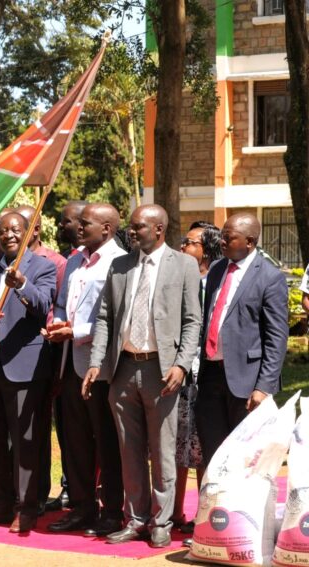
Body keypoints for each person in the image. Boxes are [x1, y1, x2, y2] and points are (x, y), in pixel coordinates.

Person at [85, 204, 202, 548]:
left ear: (159, 229)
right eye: (131, 227)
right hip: (123, 369)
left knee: (162, 450)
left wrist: (181, 365)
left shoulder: (183, 265)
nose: (131, 232)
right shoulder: (120, 265)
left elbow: (192, 320)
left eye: (138, 227)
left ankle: (161, 521)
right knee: (129, 450)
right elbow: (104, 317)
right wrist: (96, 362)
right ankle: (135, 519)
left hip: (161, 371)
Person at [0, 212, 57, 535]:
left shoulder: (42, 267)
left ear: (28, 232)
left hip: (25, 368)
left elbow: (43, 306)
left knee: (25, 444)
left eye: (16, 230)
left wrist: (21, 285)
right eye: (4, 230)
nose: (10, 235)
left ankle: (26, 508)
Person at [45, 203, 127, 536]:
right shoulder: (75, 261)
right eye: (78, 223)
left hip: (102, 368)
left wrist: (74, 331)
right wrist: (57, 322)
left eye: (86, 223)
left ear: (106, 228)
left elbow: (116, 318)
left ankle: (112, 512)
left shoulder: (119, 263)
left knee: (106, 443)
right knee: (75, 442)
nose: (79, 228)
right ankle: (81, 508)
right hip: (69, 364)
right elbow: (64, 304)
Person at [195, 213, 288, 471]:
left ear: (249, 242)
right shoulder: (217, 269)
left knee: (244, 459)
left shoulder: (270, 277)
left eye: (229, 237)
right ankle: (216, 498)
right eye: (222, 236)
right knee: (214, 454)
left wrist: (264, 387)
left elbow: (276, 336)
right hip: (211, 375)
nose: (222, 241)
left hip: (246, 381)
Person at [16, 204, 68, 513]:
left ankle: (39, 493)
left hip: (46, 351)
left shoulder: (55, 262)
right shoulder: (0, 261)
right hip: (10, 354)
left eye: (20, 226)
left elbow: (58, 305)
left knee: (39, 426)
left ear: (34, 229)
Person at [173, 220, 222, 534]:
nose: (183, 246)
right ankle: (174, 512)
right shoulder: (178, 277)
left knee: (204, 448)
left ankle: (204, 516)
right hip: (179, 374)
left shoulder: (216, 283)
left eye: (190, 242)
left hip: (207, 376)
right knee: (177, 446)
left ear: (207, 250)